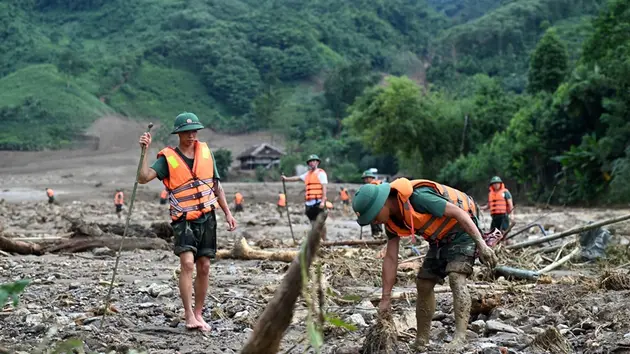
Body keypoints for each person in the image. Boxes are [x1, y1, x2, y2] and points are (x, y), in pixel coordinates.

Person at [351, 178, 498, 351]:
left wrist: (482, 245)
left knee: (456, 277)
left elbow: (460, 214)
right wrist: (385, 298)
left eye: (374, 217)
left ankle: (460, 338)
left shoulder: (419, 198)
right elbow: (390, 258)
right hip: (439, 239)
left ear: (382, 204)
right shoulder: (391, 223)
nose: (375, 222)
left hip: (462, 231)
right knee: (423, 283)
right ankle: (421, 340)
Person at [137, 112, 237, 332]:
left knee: (205, 265)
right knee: (188, 264)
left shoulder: (206, 153)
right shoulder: (167, 158)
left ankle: (199, 313)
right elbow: (143, 178)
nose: (191, 135)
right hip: (184, 220)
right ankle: (189, 314)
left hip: (208, 217)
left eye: (194, 131)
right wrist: (144, 151)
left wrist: (228, 213)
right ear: (178, 133)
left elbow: (216, 186)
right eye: (187, 132)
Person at [281, 154, 328, 239]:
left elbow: (324, 188)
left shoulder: (321, 173)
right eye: (310, 162)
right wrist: (286, 179)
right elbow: (297, 178)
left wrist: (323, 201)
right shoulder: (307, 174)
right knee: (313, 223)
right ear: (309, 164)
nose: (312, 163)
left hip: (318, 202)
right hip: (309, 204)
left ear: (317, 162)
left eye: (314, 161)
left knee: (321, 223)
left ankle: (324, 241)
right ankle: (317, 241)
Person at [361, 170, 383, 238]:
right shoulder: (368, 186)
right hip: (371, 209)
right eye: (364, 179)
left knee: (377, 224)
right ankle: (375, 237)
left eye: (366, 178)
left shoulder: (376, 185)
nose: (365, 180)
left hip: (377, 209)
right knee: (373, 225)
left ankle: (378, 237)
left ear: (371, 178)